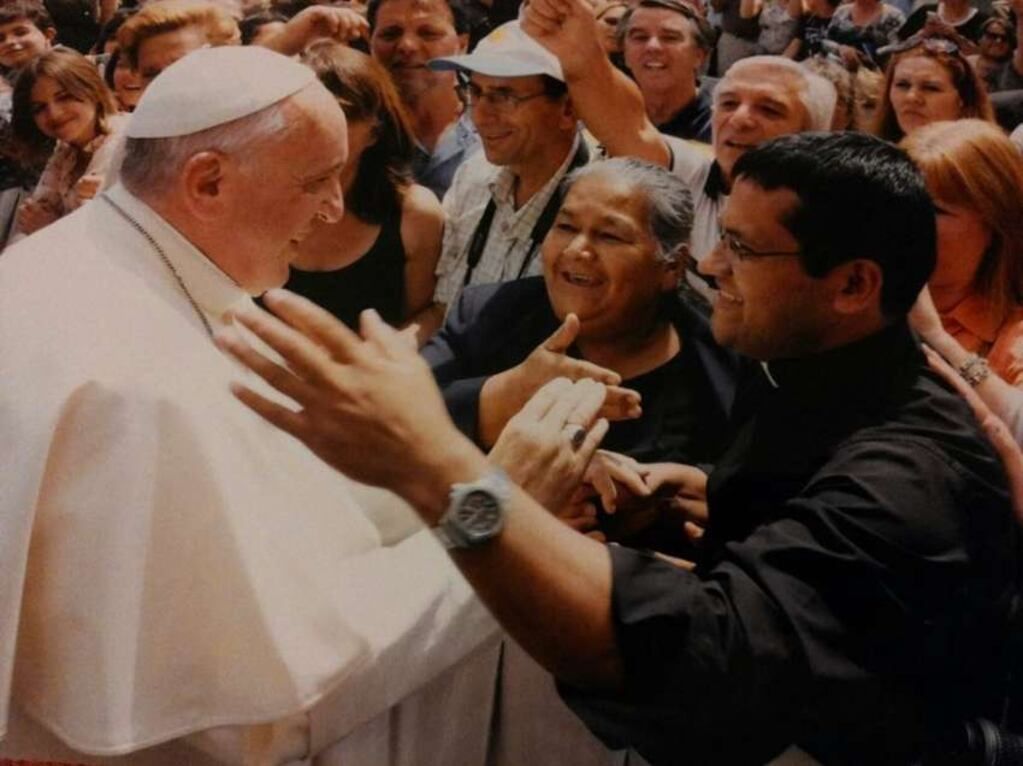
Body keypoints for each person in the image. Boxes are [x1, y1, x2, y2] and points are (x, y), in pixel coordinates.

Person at [219, 131, 1017, 763]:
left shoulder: (914, 468)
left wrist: (444, 475)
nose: (710, 265)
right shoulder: (797, 367)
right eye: (719, 239)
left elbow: (703, 665)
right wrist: (694, 501)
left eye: (740, 250)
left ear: (852, 286)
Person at [0, 45, 492, 763]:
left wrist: (456, 477)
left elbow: (292, 493)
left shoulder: (102, 253)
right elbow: (270, 704)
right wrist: (493, 519)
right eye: (317, 181)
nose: (331, 209)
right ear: (207, 182)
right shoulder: (133, 388)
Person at [423, 158, 738, 529]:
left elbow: (745, 496)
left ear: (671, 267)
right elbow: (397, 414)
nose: (577, 249)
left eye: (610, 236)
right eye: (566, 226)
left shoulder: (723, 367)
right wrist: (503, 395)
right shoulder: (490, 314)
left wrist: (650, 503)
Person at [521, 0, 835, 272]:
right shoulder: (694, 176)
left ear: (810, 134)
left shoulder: (832, 215)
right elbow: (633, 129)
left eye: (769, 109)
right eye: (728, 104)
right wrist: (579, 54)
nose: (739, 120)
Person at [427, 21, 587, 326]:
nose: (481, 115)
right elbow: (440, 311)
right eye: (475, 92)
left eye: (504, 96)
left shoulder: (598, 205)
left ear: (568, 109)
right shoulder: (473, 175)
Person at [284, 42, 445, 341]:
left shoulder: (414, 213)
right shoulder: (257, 200)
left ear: (375, 131)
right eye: (305, 114)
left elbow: (423, 317)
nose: (322, 128)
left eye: (342, 114)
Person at [904, 119, 1023, 439]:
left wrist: (937, 338)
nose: (905, 224)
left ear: (995, 226)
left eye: (935, 210)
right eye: (901, 206)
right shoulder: (856, 299)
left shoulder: (1014, 336)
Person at [367, 0, 479, 201]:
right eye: (390, 34)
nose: (406, 46)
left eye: (428, 33)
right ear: (370, 44)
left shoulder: (499, 125)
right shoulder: (354, 131)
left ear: (462, 44)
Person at [11, 46, 125, 236]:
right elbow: (33, 214)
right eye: (39, 108)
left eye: (64, 98)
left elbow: (110, 241)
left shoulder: (126, 143)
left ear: (92, 90)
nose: (54, 114)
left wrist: (51, 228)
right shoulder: (66, 150)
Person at [618, 0, 717, 143]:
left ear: (699, 56)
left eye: (669, 38)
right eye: (640, 37)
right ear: (625, 54)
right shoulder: (608, 112)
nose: (652, 47)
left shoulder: (725, 116)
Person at [872, 35, 994, 142]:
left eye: (930, 88)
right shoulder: (868, 159)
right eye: (902, 85)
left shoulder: (981, 166)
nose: (911, 97)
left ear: (963, 99)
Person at [822, 0, 905, 69]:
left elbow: (900, 50)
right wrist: (840, 49)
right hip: (838, 74)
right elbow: (825, 40)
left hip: (876, 79)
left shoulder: (893, 16)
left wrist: (868, 57)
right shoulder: (841, 12)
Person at [969, 15, 1016, 89]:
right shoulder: (965, 64)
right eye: (992, 36)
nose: (998, 41)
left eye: (1004, 38)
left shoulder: (1016, 70)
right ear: (980, 38)